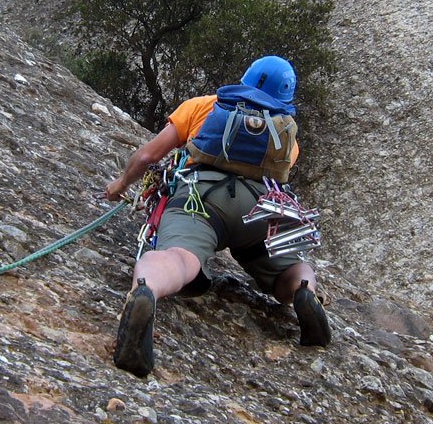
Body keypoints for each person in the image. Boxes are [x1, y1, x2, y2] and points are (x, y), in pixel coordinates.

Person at [103, 55, 330, 378]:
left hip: (201, 198)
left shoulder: (204, 106)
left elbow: (148, 155)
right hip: (261, 210)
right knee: (289, 267)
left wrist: (121, 184)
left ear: (246, 77)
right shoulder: (286, 133)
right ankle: (303, 289)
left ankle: (147, 289)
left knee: (178, 257)